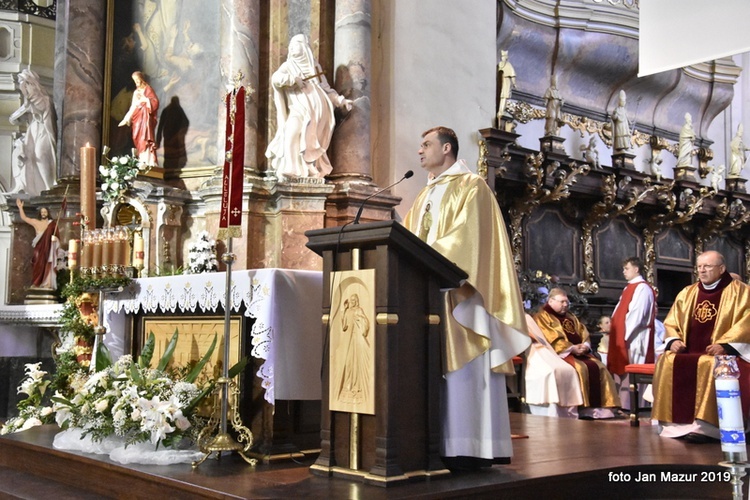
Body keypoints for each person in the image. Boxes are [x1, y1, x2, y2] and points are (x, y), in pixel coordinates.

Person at [403, 126, 530, 469]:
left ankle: (471, 446)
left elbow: (466, 240)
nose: (420, 151)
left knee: (465, 375)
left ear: (447, 149)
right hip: (428, 295)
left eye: (426, 144)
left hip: (462, 299)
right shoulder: (424, 195)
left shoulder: (472, 188)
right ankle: (440, 444)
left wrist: (421, 255)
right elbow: (408, 238)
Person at [652, 251, 750, 442]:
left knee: (708, 364)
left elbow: (747, 320)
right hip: (689, 350)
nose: (702, 270)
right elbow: (672, 321)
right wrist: (674, 340)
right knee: (667, 360)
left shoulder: (741, 292)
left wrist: (726, 345)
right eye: (699, 267)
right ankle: (673, 424)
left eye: (708, 266)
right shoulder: (688, 292)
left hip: (725, 352)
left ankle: (707, 427)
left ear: (721, 269)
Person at [265, 34, 352, 181]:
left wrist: (340, 100)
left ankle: (310, 168)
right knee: (291, 133)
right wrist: (292, 79)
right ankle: (290, 169)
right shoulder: (288, 66)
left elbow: (326, 89)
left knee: (310, 139)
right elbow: (276, 78)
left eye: (295, 44)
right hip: (299, 110)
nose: (291, 48)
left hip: (317, 114)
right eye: (290, 46)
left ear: (304, 47)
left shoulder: (314, 67)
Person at [533, 288, 620, 419]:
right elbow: (551, 337)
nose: (565, 305)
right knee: (580, 369)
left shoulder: (570, 316)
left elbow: (583, 332)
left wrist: (585, 346)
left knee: (600, 367)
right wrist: (572, 348)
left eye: (567, 302)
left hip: (580, 353)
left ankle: (599, 409)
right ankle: (583, 408)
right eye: (562, 302)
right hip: (560, 354)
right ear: (551, 301)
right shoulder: (542, 317)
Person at [608, 257, 657, 410]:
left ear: (636, 269)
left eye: (626, 268)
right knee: (622, 371)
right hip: (625, 335)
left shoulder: (642, 288)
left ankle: (635, 407)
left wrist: (623, 336)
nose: (624, 272)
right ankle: (623, 405)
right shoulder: (628, 287)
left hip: (635, 337)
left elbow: (637, 314)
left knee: (635, 370)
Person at [524, 313, 584, 418]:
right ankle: (552, 410)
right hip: (530, 352)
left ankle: (567, 412)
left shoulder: (526, 317)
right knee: (550, 371)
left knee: (569, 370)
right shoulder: (541, 315)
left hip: (545, 350)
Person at [8, 69, 56, 196]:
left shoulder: (43, 99)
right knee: (26, 154)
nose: (24, 88)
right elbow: (12, 119)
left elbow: (40, 108)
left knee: (40, 154)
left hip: (43, 130)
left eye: (26, 84)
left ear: (33, 83)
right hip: (34, 131)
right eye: (23, 85)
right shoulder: (28, 102)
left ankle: (48, 187)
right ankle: (41, 187)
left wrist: (28, 103)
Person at [16, 198, 60, 289]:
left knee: (47, 264)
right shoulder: (36, 222)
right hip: (39, 247)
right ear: (40, 213)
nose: (43, 213)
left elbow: (57, 236)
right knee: (37, 263)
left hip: (48, 248)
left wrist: (55, 238)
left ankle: (47, 283)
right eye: (42, 212)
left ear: (48, 213)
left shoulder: (52, 224)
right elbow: (24, 218)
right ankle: (37, 282)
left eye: (45, 212)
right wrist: (20, 208)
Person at [337, 293, 372, 405]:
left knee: (356, 363)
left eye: (353, 300)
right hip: (349, 341)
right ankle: (347, 386)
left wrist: (360, 321)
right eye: (351, 300)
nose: (352, 302)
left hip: (357, 341)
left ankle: (356, 386)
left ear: (356, 301)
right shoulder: (348, 311)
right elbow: (344, 326)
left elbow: (365, 323)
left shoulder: (358, 310)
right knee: (348, 363)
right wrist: (343, 310)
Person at [119, 71, 159, 167]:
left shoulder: (148, 89)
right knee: (136, 136)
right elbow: (133, 106)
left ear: (141, 79)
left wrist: (146, 100)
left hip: (145, 117)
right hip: (137, 117)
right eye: (135, 81)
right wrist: (126, 118)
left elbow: (155, 102)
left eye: (137, 80)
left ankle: (148, 160)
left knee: (145, 137)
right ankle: (141, 158)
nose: (136, 82)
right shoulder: (136, 92)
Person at [496, 50, 516, 123]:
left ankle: (502, 110)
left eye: (504, 56)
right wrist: (514, 83)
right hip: (505, 83)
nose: (503, 58)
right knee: (504, 96)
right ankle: (501, 111)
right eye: (503, 56)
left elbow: (512, 75)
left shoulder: (503, 64)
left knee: (505, 97)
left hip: (506, 82)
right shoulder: (506, 65)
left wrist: (514, 83)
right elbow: (512, 75)